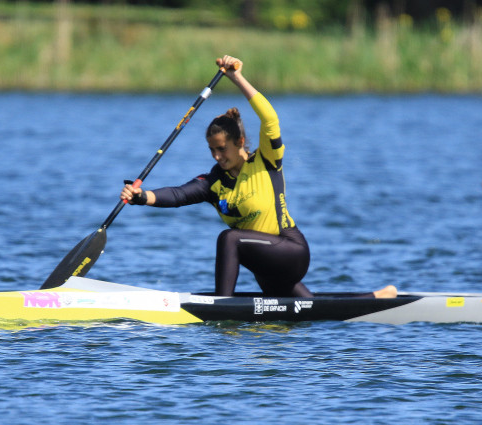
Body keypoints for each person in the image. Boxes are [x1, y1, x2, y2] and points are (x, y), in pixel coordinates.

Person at [121, 55, 397, 298]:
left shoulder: (266, 160)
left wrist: (237, 78)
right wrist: (140, 196)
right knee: (310, 308)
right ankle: (377, 298)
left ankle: (222, 306)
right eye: (211, 150)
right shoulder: (214, 182)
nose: (217, 156)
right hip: (265, 266)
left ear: (239, 142)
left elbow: (270, 119)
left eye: (222, 149)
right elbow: (178, 194)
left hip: (291, 251)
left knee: (229, 238)